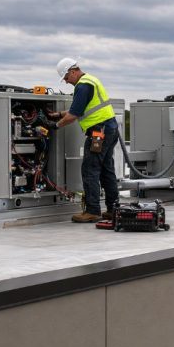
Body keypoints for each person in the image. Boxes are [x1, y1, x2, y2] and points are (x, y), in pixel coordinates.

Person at [48, 57, 119, 223]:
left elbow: (73, 115)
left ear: (72, 72)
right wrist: (58, 114)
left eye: (66, 78)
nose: (66, 82)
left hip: (98, 133)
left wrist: (55, 126)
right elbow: (79, 109)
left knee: (90, 169)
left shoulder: (83, 85)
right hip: (110, 129)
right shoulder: (90, 81)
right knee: (107, 170)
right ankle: (113, 209)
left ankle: (93, 211)